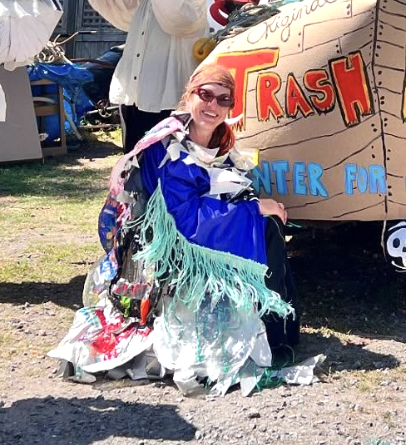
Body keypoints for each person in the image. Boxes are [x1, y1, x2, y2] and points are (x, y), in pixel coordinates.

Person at [50, 62, 299, 394]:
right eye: (205, 95)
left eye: (223, 99)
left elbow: (228, 186)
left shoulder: (221, 141)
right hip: (166, 250)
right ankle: (273, 332)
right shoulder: (166, 146)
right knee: (262, 225)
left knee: (268, 226)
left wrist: (254, 204)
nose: (212, 106)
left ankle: (277, 329)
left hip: (200, 234)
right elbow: (184, 217)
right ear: (189, 95)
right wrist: (254, 210)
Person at [81, 0, 212, 153]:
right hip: (133, 98)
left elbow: (176, 19)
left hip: (169, 103)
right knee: (133, 162)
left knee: (165, 164)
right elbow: (111, 6)